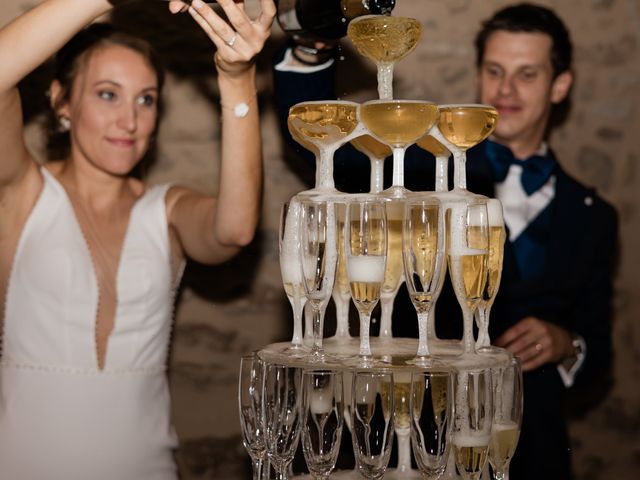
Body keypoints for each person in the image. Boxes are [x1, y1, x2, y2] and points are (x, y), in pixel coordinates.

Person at [272, 3, 618, 479]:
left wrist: (566, 344)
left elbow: (598, 352)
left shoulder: (594, 216)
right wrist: (313, 45)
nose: (506, 89)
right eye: (494, 71)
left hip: (527, 442)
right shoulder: (417, 169)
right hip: (411, 436)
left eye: (527, 74)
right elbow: (324, 147)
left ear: (560, 85)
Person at [0, 0, 275, 479]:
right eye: (108, 95)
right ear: (62, 101)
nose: (130, 121)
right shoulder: (22, 192)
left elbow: (233, 230)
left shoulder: (164, 210)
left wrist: (236, 77)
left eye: (145, 99)